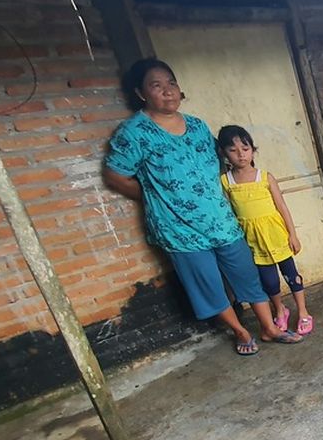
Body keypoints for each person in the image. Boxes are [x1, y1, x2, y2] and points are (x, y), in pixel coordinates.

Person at [103, 58, 302, 355]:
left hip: (221, 220)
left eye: (171, 83)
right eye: (156, 86)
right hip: (179, 229)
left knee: (247, 275)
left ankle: (270, 328)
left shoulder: (197, 126)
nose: (167, 91)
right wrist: (153, 196)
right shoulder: (134, 133)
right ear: (142, 93)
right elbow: (114, 174)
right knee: (208, 285)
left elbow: (227, 161)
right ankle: (240, 331)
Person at [217, 125, 314, 335]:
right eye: (233, 150)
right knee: (268, 281)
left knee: (291, 274)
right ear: (224, 153)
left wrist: (293, 234)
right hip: (252, 241)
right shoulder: (226, 182)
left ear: (253, 149)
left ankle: (304, 311)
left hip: (277, 236)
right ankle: (280, 310)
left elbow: (282, 207)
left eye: (245, 147)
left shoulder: (265, 177)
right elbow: (228, 213)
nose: (240, 154)